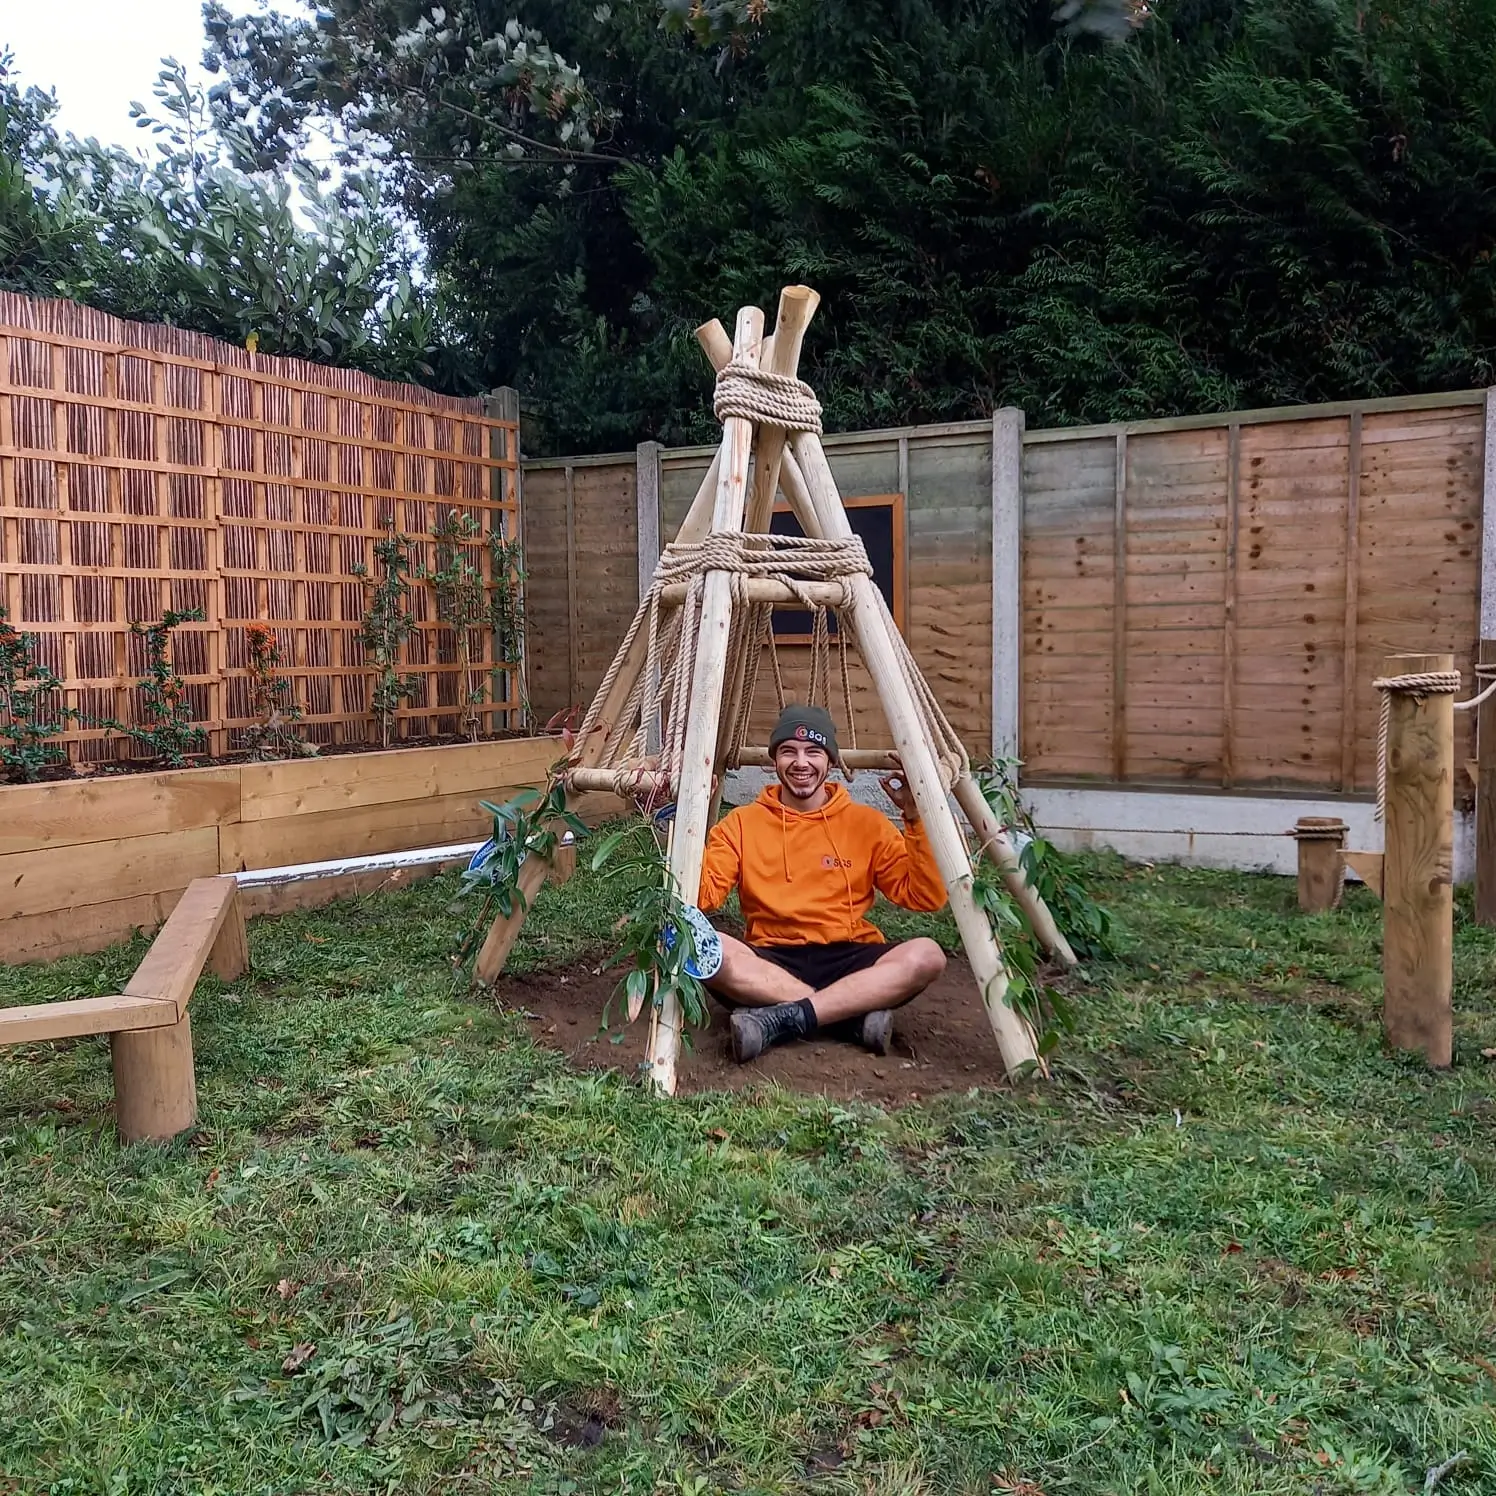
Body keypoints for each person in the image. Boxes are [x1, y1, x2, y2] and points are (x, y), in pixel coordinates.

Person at [697, 703, 949, 1063]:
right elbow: (701, 898)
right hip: (771, 959)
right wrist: (683, 817)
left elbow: (926, 896)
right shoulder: (740, 824)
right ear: (774, 761)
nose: (801, 762)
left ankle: (782, 1018)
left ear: (830, 761)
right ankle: (846, 1015)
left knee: (927, 955)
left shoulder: (867, 824)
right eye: (789, 751)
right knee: (699, 944)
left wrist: (914, 815)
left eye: (813, 751)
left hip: (849, 955)